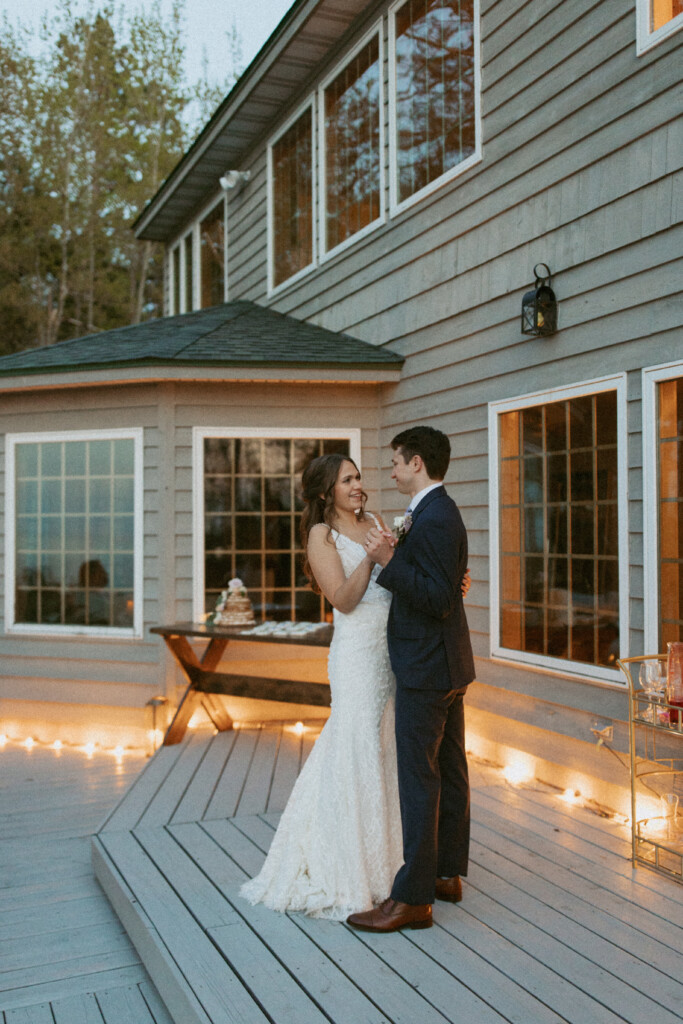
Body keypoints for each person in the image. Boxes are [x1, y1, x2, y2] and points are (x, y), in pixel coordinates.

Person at [239, 453, 403, 919]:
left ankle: (390, 862)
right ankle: (346, 865)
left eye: (358, 476)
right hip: (355, 657)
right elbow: (345, 600)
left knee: (384, 745)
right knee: (353, 745)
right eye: (347, 479)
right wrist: (372, 560)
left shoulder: (374, 519)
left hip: (389, 651)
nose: (357, 485)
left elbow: (397, 573)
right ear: (326, 490)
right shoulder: (320, 535)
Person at [347, 425, 475, 933]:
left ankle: (413, 899)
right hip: (443, 662)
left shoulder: (436, 515)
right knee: (447, 770)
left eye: (397, 462)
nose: (393, 471)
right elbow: (448, 586)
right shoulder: (430, 513)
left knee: (421, 780)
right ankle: (444, 873)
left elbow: (439, 598)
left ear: (417, 462)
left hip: (428, 667)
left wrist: (387, 560)